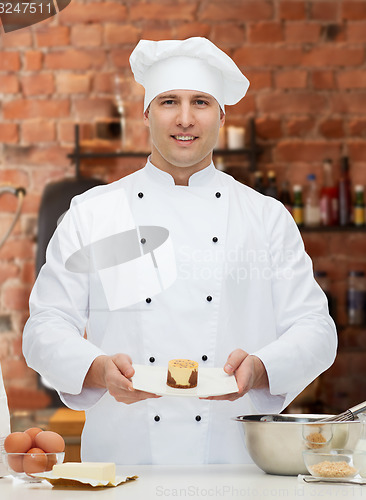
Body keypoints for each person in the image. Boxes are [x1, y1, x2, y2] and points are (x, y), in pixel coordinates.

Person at [22, 37, 337, 465]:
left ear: (222, 114)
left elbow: (317, 330)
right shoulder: (94, 212)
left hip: (234, 461)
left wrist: (262, 365)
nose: (185, 119)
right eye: (170, 101)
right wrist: (97, 368)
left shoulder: (265, 217)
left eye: (201, 103)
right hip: (122, 463)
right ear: (147, 112)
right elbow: (45, 326)